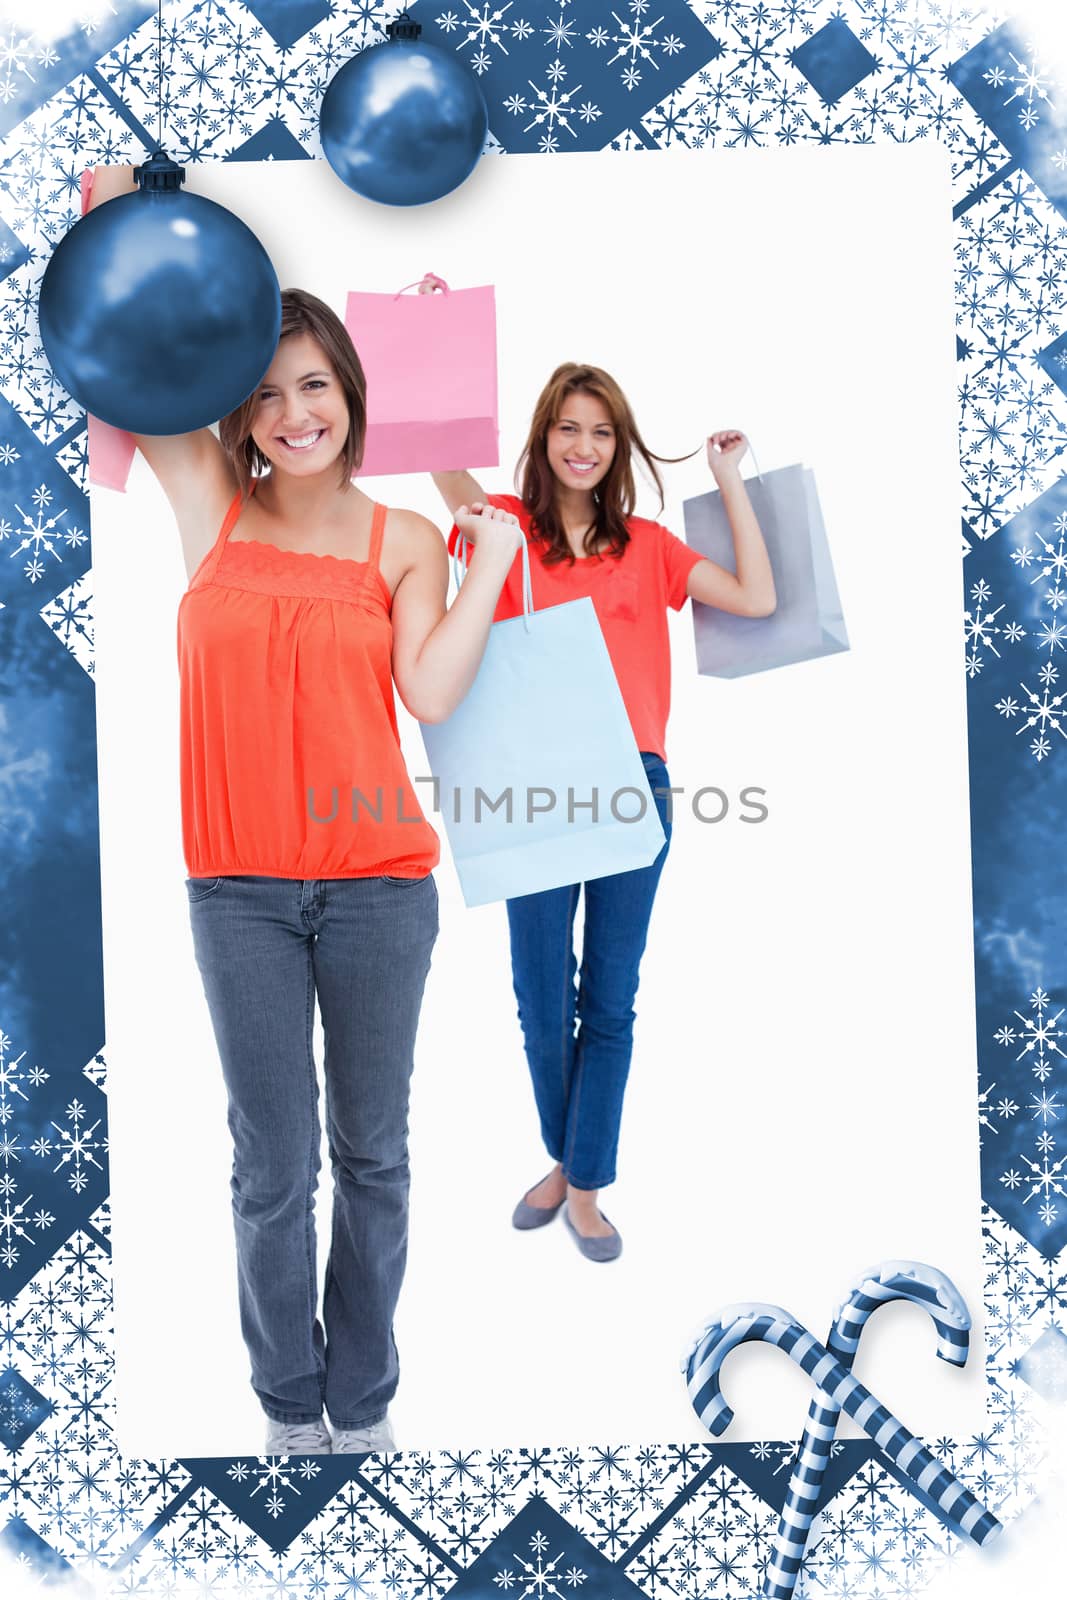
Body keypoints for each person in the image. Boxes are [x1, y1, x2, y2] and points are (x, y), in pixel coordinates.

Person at [86, 169, 523, 1453]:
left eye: (315, 384)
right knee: (273, 1174)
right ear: (241, 409)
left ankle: (364, 1404)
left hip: (382, 887)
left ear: (352, 395)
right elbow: (124, 352)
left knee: (372, 1159)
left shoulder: (395, 537)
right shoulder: (207, 505)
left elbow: (432, 691)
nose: (291, 413)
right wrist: (123, 204)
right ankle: (289, 1409)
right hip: (238, 894)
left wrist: (486, 561)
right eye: (266, 392)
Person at [433, 362, 775, 1263]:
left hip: (637, 784)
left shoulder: (650, 545)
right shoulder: (503, 529)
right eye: (567, 429)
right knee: (538, 999)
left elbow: (756, 598)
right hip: (532, 786)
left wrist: (728, 479)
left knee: (608, 1001)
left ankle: (581, 1184)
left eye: (601, 433)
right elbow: (442, 467)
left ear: (617, 447)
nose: (583, 448)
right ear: (543, 438)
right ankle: (570, 1157)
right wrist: (428, 340)